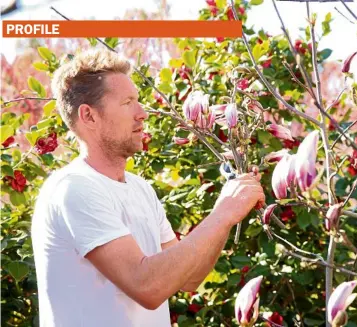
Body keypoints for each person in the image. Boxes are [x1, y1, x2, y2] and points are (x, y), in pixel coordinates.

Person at [31, 49, 265, 327]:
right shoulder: (73, 188)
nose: (142, 114)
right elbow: (146, 286)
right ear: (89, 116)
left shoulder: (140, 189)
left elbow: (190, 278)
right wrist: (224, 213)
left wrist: (227, 212)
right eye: (128, 102)